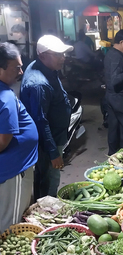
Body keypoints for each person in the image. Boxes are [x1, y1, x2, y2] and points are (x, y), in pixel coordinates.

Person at [20, 35, 73, 200]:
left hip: (56, 134)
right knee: (49, 179)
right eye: (57, 54)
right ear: (42, 55)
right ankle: (46, 212)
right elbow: (40, 121)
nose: (62, 58)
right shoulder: (39, 84)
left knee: (45, 176)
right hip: (48, 141)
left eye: (63, 54)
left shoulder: (46, 67)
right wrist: (53, 153)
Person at [0, 43, 38, 233]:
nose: (21, 72)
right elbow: (2, 143)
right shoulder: (5, 97)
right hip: (13, 170)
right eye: (16, 67)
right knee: (12, 224)